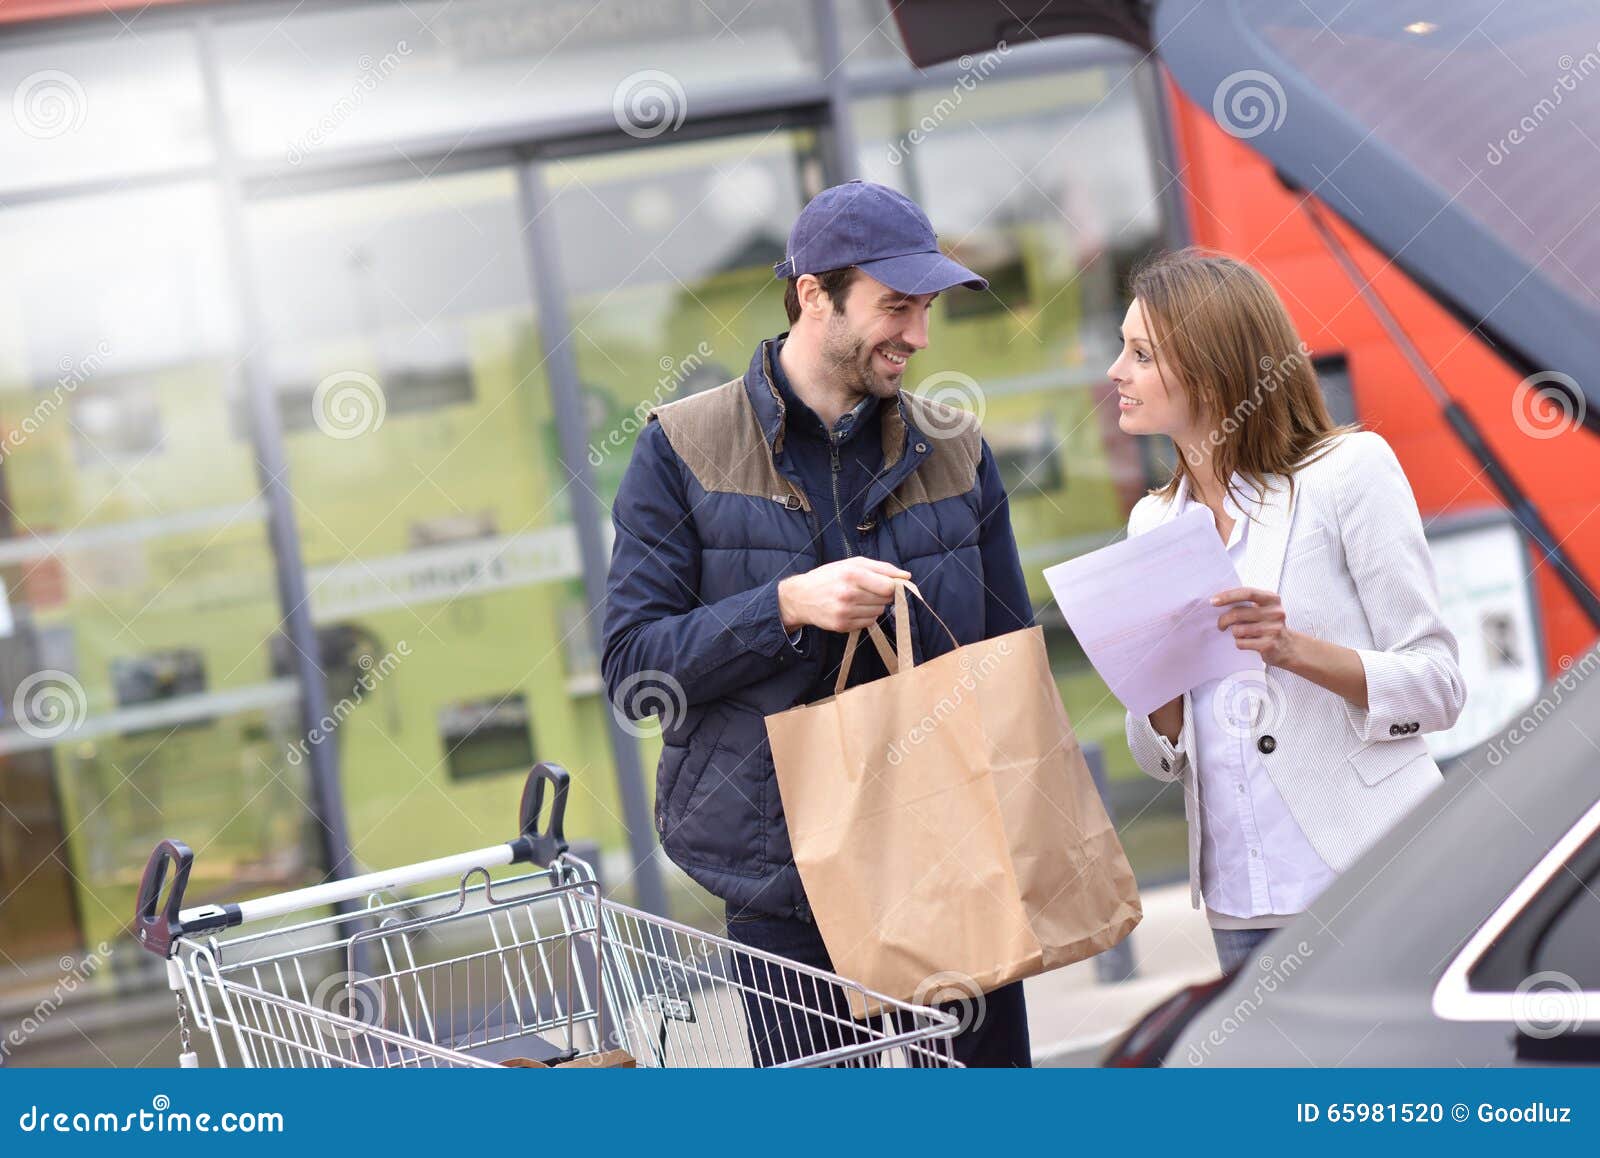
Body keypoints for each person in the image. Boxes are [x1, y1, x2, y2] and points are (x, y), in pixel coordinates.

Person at [601, 180, 1034, 1066]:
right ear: (813, 294)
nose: (918, 335)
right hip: (786, 878)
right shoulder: (680, 449)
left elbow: (1008, 657)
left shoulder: (958, 447)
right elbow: (634, 668)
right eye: (896, 307)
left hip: (952, 856)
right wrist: (783, 607)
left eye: (927, 310)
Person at [1109, 248, 1466, 975]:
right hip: (1242, 898)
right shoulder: (1152, 524)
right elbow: (1157, 758)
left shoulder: (1348, 474)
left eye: (1141, 355)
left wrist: (1292, 649)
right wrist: (1158, 679)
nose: (1117, 371)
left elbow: (1439, 686)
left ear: (1212, 370)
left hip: (1370, 870)